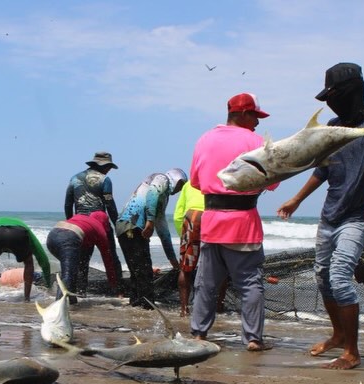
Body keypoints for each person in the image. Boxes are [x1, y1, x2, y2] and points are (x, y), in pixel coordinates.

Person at [277, 63, 364, 369]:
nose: (329, 102)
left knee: (341, 277)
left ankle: (352, 353)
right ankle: (338, 336)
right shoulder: (332, 126)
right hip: (329, 216)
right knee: (322, 276)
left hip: (356, 218)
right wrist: (295, 199)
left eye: (332, 95)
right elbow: (322, 169)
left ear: (348, 92)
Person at [189, 93, 278, 351]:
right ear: (242, 114)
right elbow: (272, 183)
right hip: (244, 224)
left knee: (206, 283)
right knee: (250, 283)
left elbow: (195, 182)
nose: (257, 123)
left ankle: (198, 334)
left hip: (212, 222)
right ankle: (252, 339)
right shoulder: (256, 142)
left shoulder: (204, 139)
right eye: (255, 116)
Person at [115, 169, 186, 308]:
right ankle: (148, 308)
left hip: (124, 227)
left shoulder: (162, 199)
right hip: (132, 225)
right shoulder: (161, 179)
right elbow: (152, 193)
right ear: (175, 179)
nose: (179, 190)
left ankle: (136, 307)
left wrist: (172, 260)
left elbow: (164, 231)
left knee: (137, 272)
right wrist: (150, 220)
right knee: (144, 272)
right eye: (180, 185)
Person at [64, 151, 123, 295]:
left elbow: (67, 204)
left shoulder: (74, 178)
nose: (109, 170)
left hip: (81, 226)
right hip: (100, 224)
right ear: (103, 165)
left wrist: (71, 223)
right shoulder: (104, 180)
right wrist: (117, 226)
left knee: (83, 260)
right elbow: (110, 205)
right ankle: (118, 290)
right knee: (111, 257)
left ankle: (81, 291)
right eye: (109, 166)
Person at [173, 181, 229, 317]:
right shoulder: (222, 179)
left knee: (186, 268)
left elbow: (177, 215)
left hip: (192, 217)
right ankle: (219, 307)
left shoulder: (189, 184)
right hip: (214, 216)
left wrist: (184, 237)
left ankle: (184, 310)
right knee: (221, 266)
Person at [46, 210, 120, 303]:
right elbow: (107, 260)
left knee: (72, 272)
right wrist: (114, 285)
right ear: (104, 222)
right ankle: (56, 307)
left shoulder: (81, 218)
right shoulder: (100, 229)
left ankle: (73, 302)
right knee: (68, 275)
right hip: (69, 238)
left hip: (52, 237)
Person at [0, 216, 52, 301]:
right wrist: (48, 283)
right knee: (28, 262)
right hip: (18, 233)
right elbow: (42, 256)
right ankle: (26, 298)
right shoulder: (23, 226)